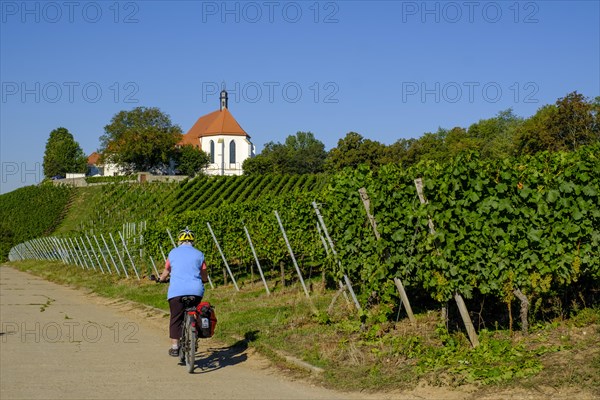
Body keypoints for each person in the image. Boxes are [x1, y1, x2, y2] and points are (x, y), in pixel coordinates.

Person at [158, 227, 208, 357]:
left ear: (179, 241)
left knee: (176, 318)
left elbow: (166, 271)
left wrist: (161, 279)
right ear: (193, 241)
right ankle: (194, 331)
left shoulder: (173, 253)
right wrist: (205, 279)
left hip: (176, 292)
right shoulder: (199, 254)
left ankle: (175, 347)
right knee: (195, 310)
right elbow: (203, 273)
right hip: (196, 291)